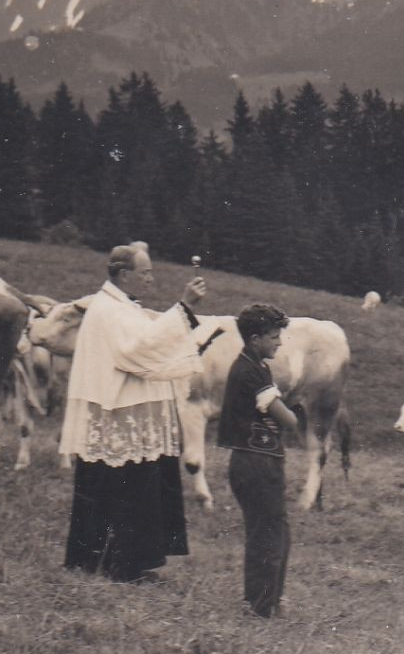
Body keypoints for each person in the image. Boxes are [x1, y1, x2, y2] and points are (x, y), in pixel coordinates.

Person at [60, 242, 207, 583]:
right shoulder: (111, 310)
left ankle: (111, 563)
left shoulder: (120, 306)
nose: (151, 280)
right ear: (124, 275)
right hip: (118, 418)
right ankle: (121, 567)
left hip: (125, 413)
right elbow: (138, 351)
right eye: (145, 273)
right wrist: (184, 307)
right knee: (125, 494)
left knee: (120, 492)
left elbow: (144, 340)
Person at [219, 304, 300, 617]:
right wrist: (293, 412)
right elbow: (288, 419)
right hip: (257, 463)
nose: (279, 342)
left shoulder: (252, 365)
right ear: (254, 339)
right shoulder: (252, 372)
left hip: (253, 460)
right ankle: (262, 605)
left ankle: (267, 600)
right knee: (268, 534)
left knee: (271, 531)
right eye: (273, 336)